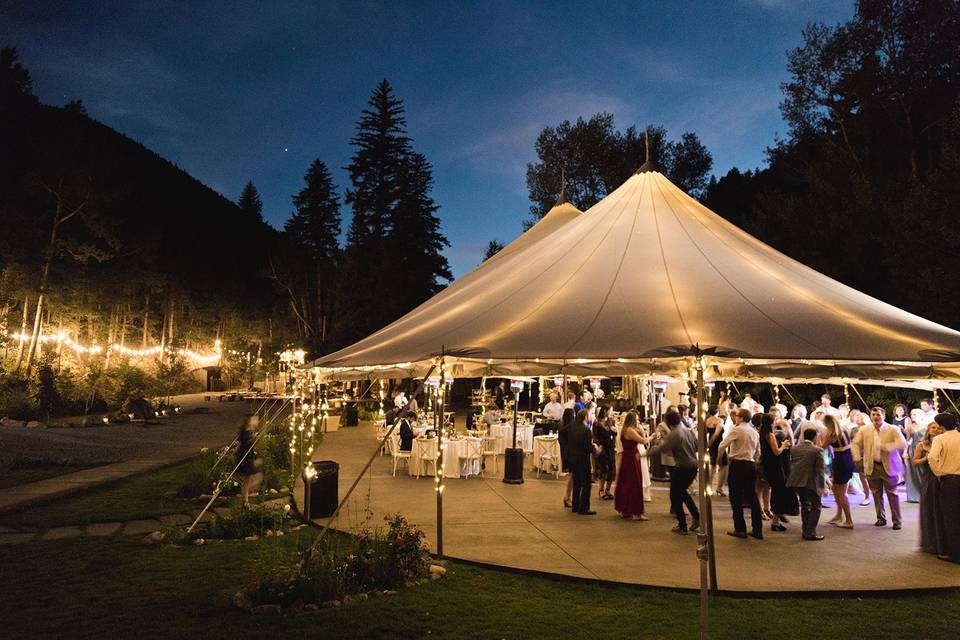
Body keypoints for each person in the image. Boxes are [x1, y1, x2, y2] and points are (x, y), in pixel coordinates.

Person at [852, 406, 908, 529]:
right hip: (872, 466)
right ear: (871, 416)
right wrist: (857, 458)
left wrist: (887, 446)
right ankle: (880, 518)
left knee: (892, 494)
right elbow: (855, 444)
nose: (876, 417)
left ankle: (897, 521)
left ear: (884, 416)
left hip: (889, 466)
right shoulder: (864, 429)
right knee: (876, 494)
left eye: (878, 415)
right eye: (873, 415)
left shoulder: (892, 429)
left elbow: (902, 443)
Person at [646, 411, 700, 534]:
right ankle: (696, 516)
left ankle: (682, 525)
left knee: (675, 495)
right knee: (681, 492)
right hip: (692, 465)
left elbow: (664, 448)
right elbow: (697, 446)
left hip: (683, 466)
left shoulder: (675, 434)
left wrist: (647, 453)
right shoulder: (688, 431)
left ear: (668, 422)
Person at [718, 408, 763, 539]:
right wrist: (755, 461)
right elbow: (758, 451)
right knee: (752, 497)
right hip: (750, 464)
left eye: (736, 416)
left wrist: (719, 458)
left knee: (735, 497)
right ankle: (757, 529)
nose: (734, 418)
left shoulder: (737, 429)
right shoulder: (754, 432)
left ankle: (740, 528)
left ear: (742, 418)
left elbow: (723, 445)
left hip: (738, 464)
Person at [927, 412, 960, 563]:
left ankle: (955, 554)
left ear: (940, 426)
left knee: (951, 518)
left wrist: (939, 473)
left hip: (950, 480)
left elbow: (932, 458)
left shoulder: (940, 439)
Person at [787, 427, 827, 540]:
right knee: (816, 506)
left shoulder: (794, 448)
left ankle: (805, 530)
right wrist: (822, 486)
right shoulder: (817, 450)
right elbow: (820, 470)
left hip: (797, 480)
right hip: (811, 481)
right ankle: (810, 532)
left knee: (805, 505)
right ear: (815, 437)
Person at [760, 413, 798, 531]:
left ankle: (778, 516)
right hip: (775, 467)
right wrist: (784, 445)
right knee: (779, 491)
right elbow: (776, 452)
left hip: (768, 465)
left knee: (777, 491)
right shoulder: (770, 435)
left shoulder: (762, 433)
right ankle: (775, 522)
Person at [914, 416, 946, 556]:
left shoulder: (943, 442)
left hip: (942, 477)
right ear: (928, 430)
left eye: (937, 427)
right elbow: (914, 462)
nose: (935, 429)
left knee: (941, 508)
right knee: (929, 508)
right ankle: (931, 542)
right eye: (933, 427)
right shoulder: (922, 445)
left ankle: (943, 541)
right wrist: (926, 458)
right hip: (929, 478)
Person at [614, 411, 651, 520]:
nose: (638, 421)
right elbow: (643, 441)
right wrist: (652, 437)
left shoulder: (626, 429)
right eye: (637, 419)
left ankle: (626, 508)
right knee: (634, 483)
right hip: (631, 458)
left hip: (629, 457)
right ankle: (637, 511)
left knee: (626, 483)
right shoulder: (629, 430)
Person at [823, 414, 854, 528]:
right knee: (837, 490)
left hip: (841, 461)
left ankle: (849, 520)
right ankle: (838, 515)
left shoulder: (831, 434)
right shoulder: (845, 429)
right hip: (847, 458)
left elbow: (823, 447)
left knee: (840, 493)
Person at [568, 409, 599, 515]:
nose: (591, 416)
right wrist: (594, 448)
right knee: (586, 483)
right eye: (590, 414)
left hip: (573, 458)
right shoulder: (586, 430)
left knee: (577, 483)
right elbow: (587, 448)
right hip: (583, 459)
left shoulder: (572, 427)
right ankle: (584, 507)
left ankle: (575, 505)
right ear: (585, 417)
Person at [237, 414, 264, 504]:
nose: (257, 422)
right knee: (254, 478)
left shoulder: (247, 432)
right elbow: (248, 446)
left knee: (248, 479)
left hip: (246, 458)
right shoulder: (247, 433)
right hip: (246, 459)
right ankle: (246, 498)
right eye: (255, 420)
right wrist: (255, 439)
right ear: (249, 422)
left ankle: (246, 498)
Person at [593, 405, 616, 500]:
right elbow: (595, 436)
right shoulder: (597, 422)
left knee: (612, 469)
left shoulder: (610, 421)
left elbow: (614, 434)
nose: (611, 412)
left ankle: (608, 490)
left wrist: (614, 431)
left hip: (610, 447)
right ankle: (601, 490)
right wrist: (598, 445)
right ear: (605, 411)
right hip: (603, 448)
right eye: (610, 410)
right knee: (604, 469)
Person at [904, 410, 926, 503]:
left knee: (923, 472)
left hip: (923, 450)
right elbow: (907, 440)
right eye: (911, 414)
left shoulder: (926, 426)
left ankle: (925, 494)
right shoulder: (909, 427)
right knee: (912, 473)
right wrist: (905, 452)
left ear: (920, 415)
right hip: (912, 450)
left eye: (914, 414)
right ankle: (914, 496)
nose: (912, 416)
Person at [558, 408, 576, 508]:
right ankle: (567, 497)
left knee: (572, 475)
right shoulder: (570, 427)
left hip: (565, 452)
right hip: (570, 453)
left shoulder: (561, 426)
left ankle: (569, 497)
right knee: (572, 476)